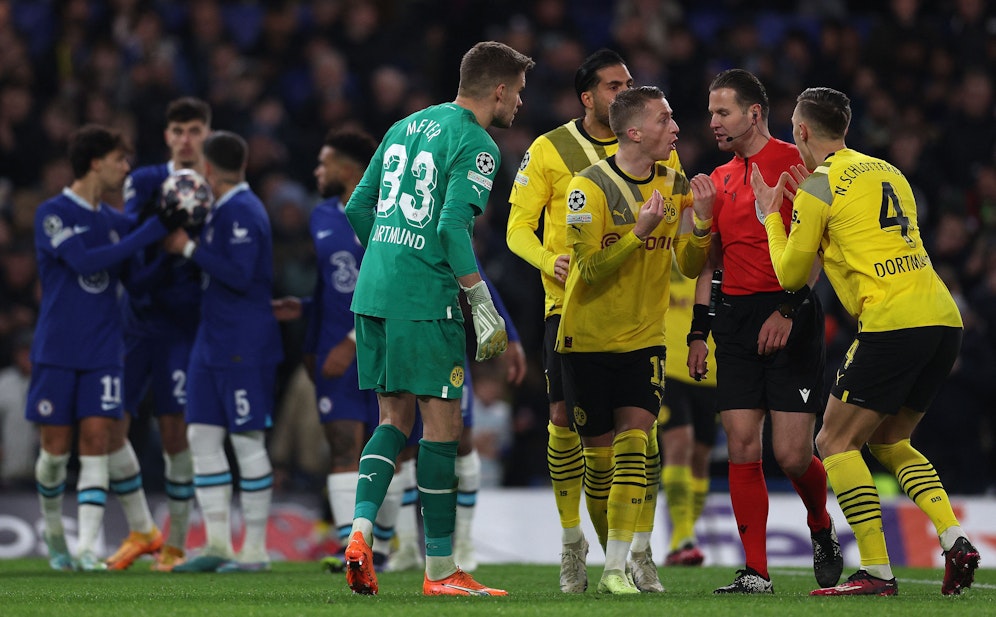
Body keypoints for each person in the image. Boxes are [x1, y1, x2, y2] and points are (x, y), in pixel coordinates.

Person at [751, 86, 981, 596]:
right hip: (943, 318)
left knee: (833, 441)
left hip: (891, 321)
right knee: (890, 440)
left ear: (802, 130)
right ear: (846, 129)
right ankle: (955, 537)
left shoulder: (818, 185)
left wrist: (772, 213)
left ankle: (876, 570)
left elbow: (790, 274)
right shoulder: (887, 171)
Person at [341, 40, 533, 597]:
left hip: (374, 292)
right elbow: (451, 228)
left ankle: (358, 534)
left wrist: (387, 254)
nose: (519, 103)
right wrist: (478, 298)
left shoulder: (404, 125)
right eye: (517, 93)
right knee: (443, 429)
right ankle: (442, 570)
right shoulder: (478, 144)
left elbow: (359, 206)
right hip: (428, 299)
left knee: (391, 420)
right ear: (498, 89)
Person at [506, 48, 681, 593]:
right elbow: (516, 227)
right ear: (588, 97)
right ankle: (572, 545)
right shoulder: (551, 149)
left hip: (641, 314)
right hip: (571, 307)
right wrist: (546, 260)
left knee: (641, 433)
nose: (622, 91)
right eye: (612, 86)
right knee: (566, 424)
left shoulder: (657, 152)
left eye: (628, 83)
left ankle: (638, 551)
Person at [687, 69, 842, 594]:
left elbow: (817, 249)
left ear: (754, 113)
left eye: (723, 112)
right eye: (711, 113)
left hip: (790, 315)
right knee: (741, 446)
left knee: (794, 455)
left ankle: (820, 525)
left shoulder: (797, 165)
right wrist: (695, 334)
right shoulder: (719, 178)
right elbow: (710, 264)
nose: (714, 122)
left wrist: (790, 309)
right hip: (733, 322)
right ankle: (756, 571)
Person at [556, 85, 714, 594]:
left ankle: (617, 568)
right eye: (665, 119)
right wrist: (639, 232)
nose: (676, 127)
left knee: (635, 446)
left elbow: (688, 265)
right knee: (598, 468)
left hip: (645, 342)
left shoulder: (675, 180)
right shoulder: (588, 186)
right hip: (586, 338)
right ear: (634, 131)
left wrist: (703, 226)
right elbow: (590, 268)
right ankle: (601, 551)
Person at [26, 124, 179, 571]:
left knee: (97, 439)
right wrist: (151, 231)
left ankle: (87, 548)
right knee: (54, 454)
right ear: (96, 162)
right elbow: (84, 262)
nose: (125, 169)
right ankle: (56, 537)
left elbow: (135, 281)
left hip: (105, 350)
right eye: (120, 159)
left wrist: (172, 249)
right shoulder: (51, 213)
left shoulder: (116, 222)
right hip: (57, 347)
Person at [163, 131, 283, 573]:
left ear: (209, 169)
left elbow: (239, 273)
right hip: (211, 341)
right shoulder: (221, 210)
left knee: (246, 439)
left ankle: (254, 551)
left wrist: (188, 248)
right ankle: (217, 544)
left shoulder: (243, 211)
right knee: (202, 437)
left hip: (242, 344)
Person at [105, 97, 211, 572]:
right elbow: (128, 243)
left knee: (174, 433)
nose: (186, 139)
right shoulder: (145, 181)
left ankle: (176, 543)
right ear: (167, 137)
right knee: (109, 427)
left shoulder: (218, 187)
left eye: (194, 130)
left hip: (181, 328)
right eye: (178, 131)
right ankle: (143, 528)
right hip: (135, 321)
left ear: (205, 134)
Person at [659, 264, 719, 566]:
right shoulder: (664, 237)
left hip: (712, 369)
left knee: (700, 455)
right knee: (679, 443)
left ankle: (684, 537)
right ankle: (682, 537)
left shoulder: (712, 249)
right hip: (670, 362)